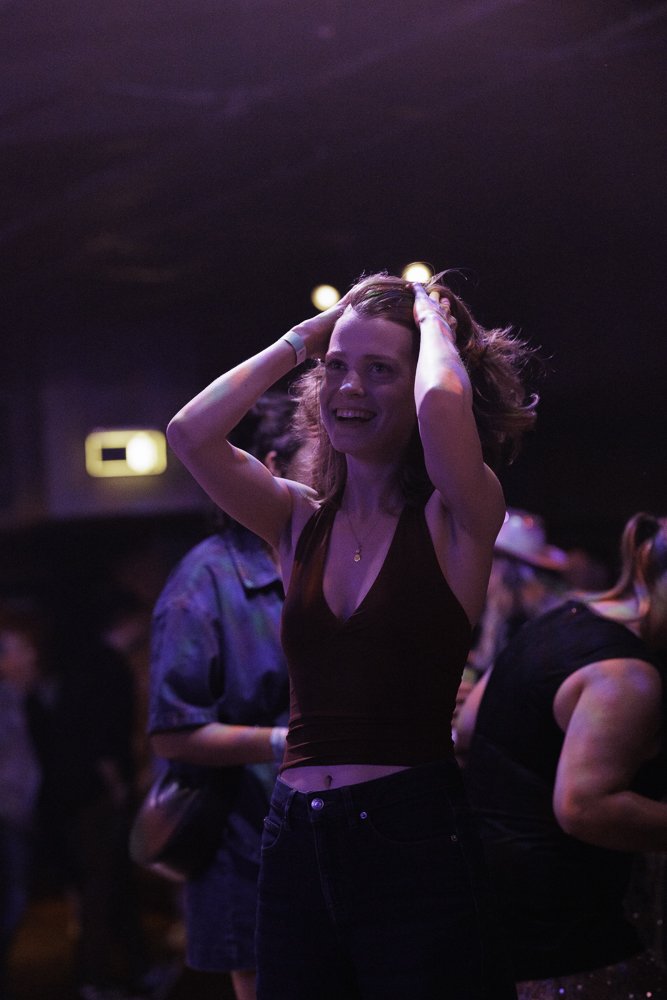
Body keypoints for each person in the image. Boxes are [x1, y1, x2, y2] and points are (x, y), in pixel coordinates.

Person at [165, 270, 537, 998]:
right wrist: (308, 337)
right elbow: (191, 432)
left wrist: (433, 320)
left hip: (413, 833)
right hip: (294, 832)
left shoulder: (459, 515)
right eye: (337, 368)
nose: (348, 389)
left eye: (377, 371)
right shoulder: (297, 519)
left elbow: (438, 400)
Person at [464, 512, 667, 998]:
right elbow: (584, 807)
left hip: (495, 923)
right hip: (571, 943)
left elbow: (468, 726)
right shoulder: (627, 675)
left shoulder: (561, 618)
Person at [148, 393, 303, 1000]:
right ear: (267, 467)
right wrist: (287, 742)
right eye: (321, 466)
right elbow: (172, 732)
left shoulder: (326, 559)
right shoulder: (205, 579)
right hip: (245, 846)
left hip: (324, 833)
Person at [454, 508, 569, 758]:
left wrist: (476, 695)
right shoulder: (502, 613)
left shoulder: (535, 620)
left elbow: (528, 692)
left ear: (507, 567)